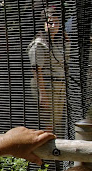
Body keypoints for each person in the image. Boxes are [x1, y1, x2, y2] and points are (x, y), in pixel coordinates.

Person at [27, 5, 70, 135]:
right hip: (47, 86)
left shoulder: (57, 42)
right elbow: (36, 69)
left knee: (55, 122)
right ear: (44, 24)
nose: (53, 26)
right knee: (47, 123)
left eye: (56, 22)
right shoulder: (39, 43)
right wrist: (42, 94)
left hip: (59, 86)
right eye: (50, 22)